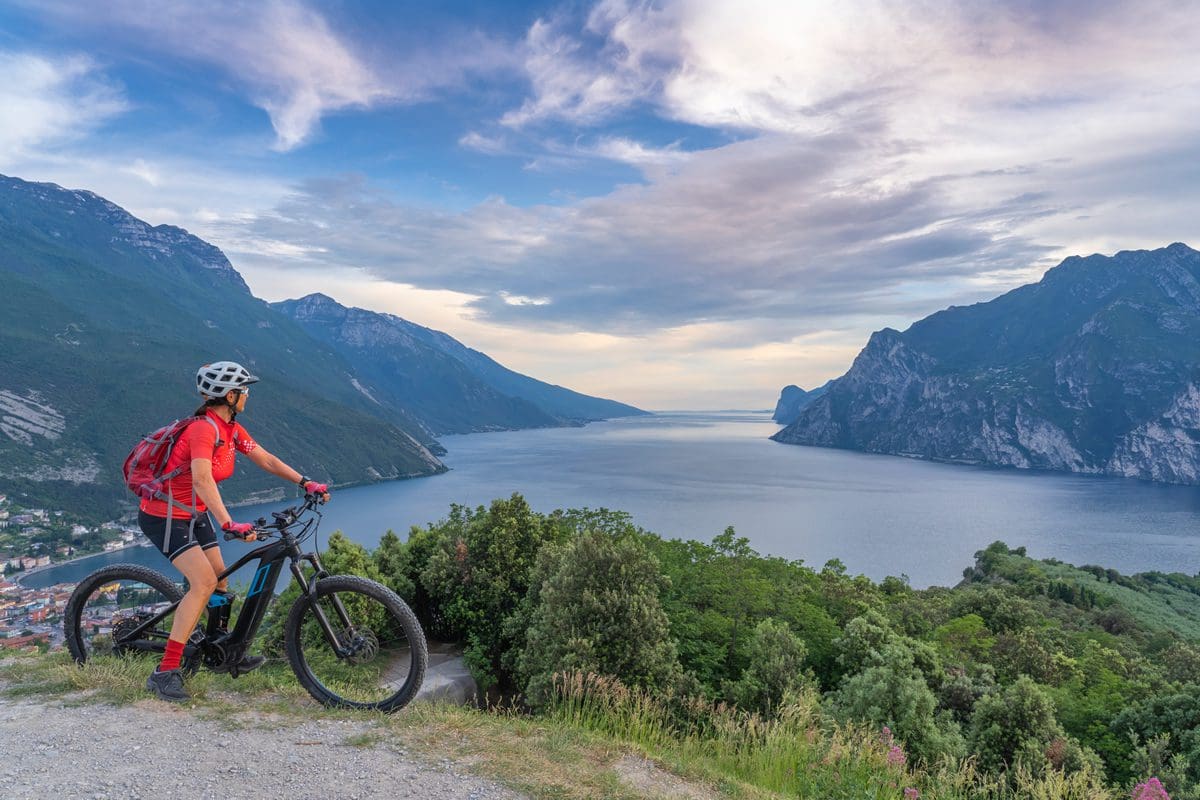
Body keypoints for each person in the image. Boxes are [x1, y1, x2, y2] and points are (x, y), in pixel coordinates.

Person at [140, 361, 330, 702]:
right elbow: (201, 479)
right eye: (244, 391)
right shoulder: (203, 429)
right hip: (165, 516)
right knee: (204, 583)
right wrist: (229, 523)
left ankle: (222, 650)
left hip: (194, 513)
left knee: (222, 581)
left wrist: (306, 482)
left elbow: (266, 459)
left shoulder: (230, 429)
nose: (247, 396)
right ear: (230, 395)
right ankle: (165, 672)